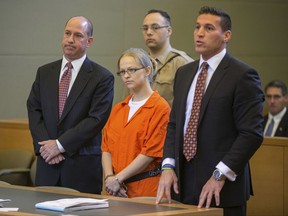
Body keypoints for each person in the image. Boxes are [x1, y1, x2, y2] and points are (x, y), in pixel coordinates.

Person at [156, 6, 264, 216]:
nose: (199, 33)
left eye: (208, 28)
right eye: (197, 27)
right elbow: (174, 124)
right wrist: (168, 166)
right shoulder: (184, 73)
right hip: (181, 182)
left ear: (226, 35)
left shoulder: (242, 75)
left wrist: (220, 174)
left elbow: (251, 134)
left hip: (221, 185)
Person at [27, 16, 114, 194]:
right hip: (47, 165)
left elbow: (95, 120)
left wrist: (58, 145)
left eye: (78, 35)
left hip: (81, 168)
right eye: (67, 33)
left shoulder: (102, 77)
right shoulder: (44, 72)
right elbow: (34, 110)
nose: (70, 39)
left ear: (89, 41)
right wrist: (46, 148)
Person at [102, 48, 170, 198]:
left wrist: (118, 178)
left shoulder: (160, 108)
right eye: (122, 72)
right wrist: (109, 179)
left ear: (147, 71)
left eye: (131, 70)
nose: (126, 76)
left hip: (144, 189)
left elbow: (149, 153)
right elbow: (106, 148)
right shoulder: (119, 109)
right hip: (114, 189)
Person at [141, 9, 194, 106]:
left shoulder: (182, 63)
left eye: (155, 27)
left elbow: (190, 105)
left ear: (169, 31)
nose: (149, 32)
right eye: (145, 28)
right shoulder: (138, 64)